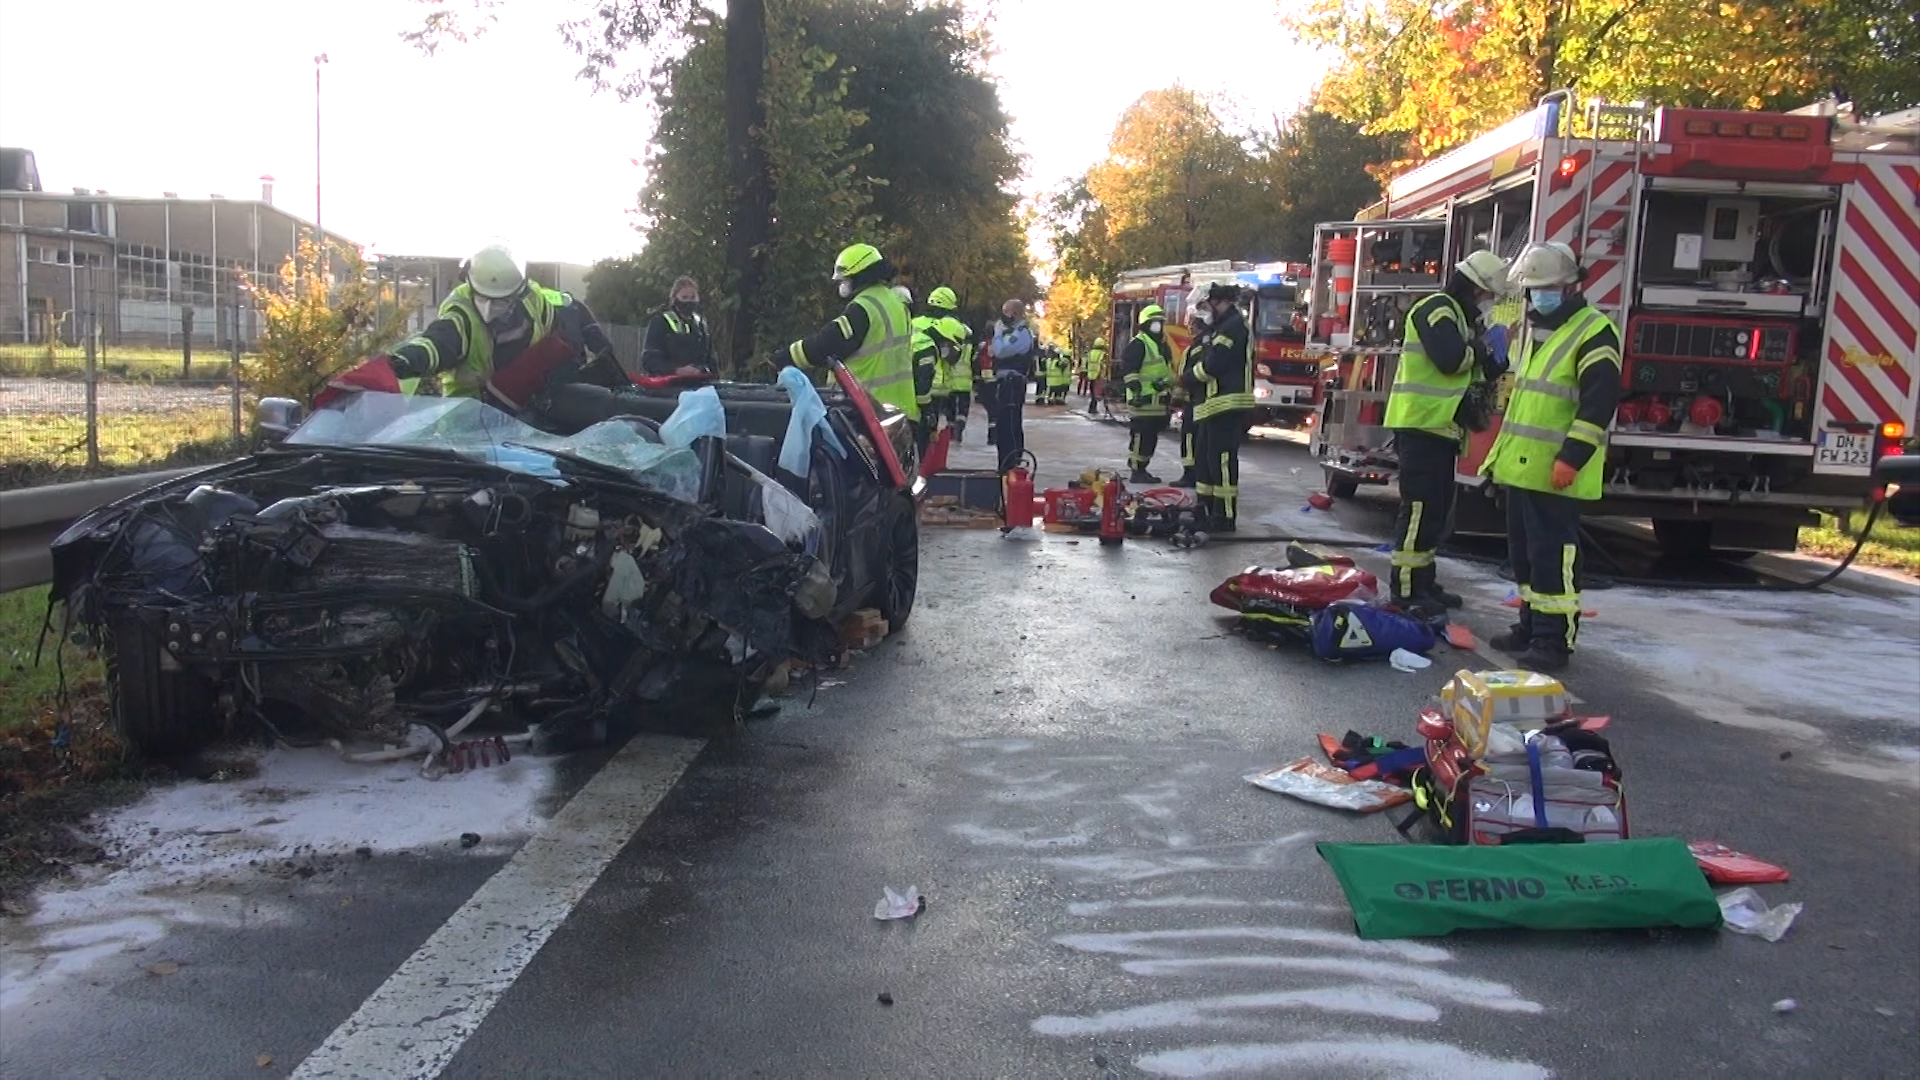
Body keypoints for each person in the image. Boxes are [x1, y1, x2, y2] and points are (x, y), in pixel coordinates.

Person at [1483, 241, 1622, 672]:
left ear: (1569, 288)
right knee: (1525, 556)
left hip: (1556, 470)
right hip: (1525, 468)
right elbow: (1525, 405)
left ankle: (1554, 640)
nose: (1536, 297)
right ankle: (1530, 626)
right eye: (1532, 290)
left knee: (1553, 557)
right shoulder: (1541, 331)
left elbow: (1598, 405)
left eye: (1544, 289)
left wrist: (1572, 457)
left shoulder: (1594, 331)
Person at [322, 242, 620, 412]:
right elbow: (436, 344)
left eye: (501, 302)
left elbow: (570, 306)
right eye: (482, 298)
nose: (490, 309)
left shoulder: (536, 300)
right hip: (468, 422)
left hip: (528, 411)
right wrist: (402, 362)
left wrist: (599, 347)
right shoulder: (461, 315)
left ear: (519, 294)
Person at [1383, 249, 1510, 612]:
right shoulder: (1436, 308)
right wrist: (1483, 351)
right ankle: (1405, 590)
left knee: (1436, 513)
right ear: (1474, 288)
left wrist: (1493, 359)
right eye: (1487, 294)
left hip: (1443, 428)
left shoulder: (1465, 321)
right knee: (1420, 510)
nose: (1487, 302)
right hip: (1421, 424)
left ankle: (1425, 582)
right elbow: (1450, 359)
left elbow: (1478, 371)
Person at [780, 243, 917, 422]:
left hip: (868, 411)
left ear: (860, 276)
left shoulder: (864, 307)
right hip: (900, 410)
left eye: (845, 279)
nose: (842, 285)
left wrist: (784, 357)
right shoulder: (896, 303)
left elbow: (825, 344)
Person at [1190, 283, 1255, 530]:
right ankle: (1205, 508)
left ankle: (1225, 516)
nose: (1204, 311)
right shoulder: (1221, 327)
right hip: (1213, 404)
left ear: (1220, 302)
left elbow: (1214, 363)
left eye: (1206, 306)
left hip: (1227, 403)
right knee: (1206, 460)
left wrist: (1188, 378)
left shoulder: (1233, 327)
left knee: (1223, 462)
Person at [1118, 304, 1173, 483]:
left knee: (1150, 439)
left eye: (1161, 322)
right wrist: (1136, 391)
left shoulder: (1162, 345)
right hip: (1142, 402)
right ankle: (1136, 470)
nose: (1159, 325)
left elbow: (1167, 371)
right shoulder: (1139, 343)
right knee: (1141, 437)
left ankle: (1142, 469)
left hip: (1158, 404)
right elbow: (1129, 370)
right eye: (1155, 322)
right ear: (1146, 323)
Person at [989, 299, 1037, 471]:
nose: (1003, 317)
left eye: (1006, 312)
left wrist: (997, 335)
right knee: (1003, 427)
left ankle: (1012, 465)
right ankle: (1005, 464)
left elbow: (1001, 351)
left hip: (1012, 384)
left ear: (1016, 313)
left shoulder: (1021, 333)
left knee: (1009, 426)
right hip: (1004, 383)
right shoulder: (1011, 332)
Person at [1171, 286, 1211, 488]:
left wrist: (1177, 397)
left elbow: (1187, 376)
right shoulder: (1204, 345)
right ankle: (1197, 474)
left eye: (1193, 324)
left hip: (1194, 402)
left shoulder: (1197, 348)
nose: (1190, 327)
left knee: (1189, 439)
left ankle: (1189, 474)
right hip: (1201, 401)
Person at [923, 287, 973, 443]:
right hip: (940, 384)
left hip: (914, 384)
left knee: (920, 428)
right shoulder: (951, 325)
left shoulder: (915, 322)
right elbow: (953, 355)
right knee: (932, 428)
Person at [639, 276, 715, 377]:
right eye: (684, 297)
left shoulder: (700, 323)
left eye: (693, 297)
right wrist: (676, 370)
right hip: (668, 385)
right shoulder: (661, 322)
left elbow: (710, 359)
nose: (689, 301)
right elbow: (649, 360)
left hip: (698, 384)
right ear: (674, 298)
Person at [1083, 337, 1108, 416]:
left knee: (1093, 393)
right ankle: (1093, 408)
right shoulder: (1102, 354)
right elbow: (1104, 365)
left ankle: (1092, 408)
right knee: (1097, 393)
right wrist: (1104, 376)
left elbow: (1087, 364)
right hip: (1098, 375)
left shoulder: (1090, 353)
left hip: (1091, 375)